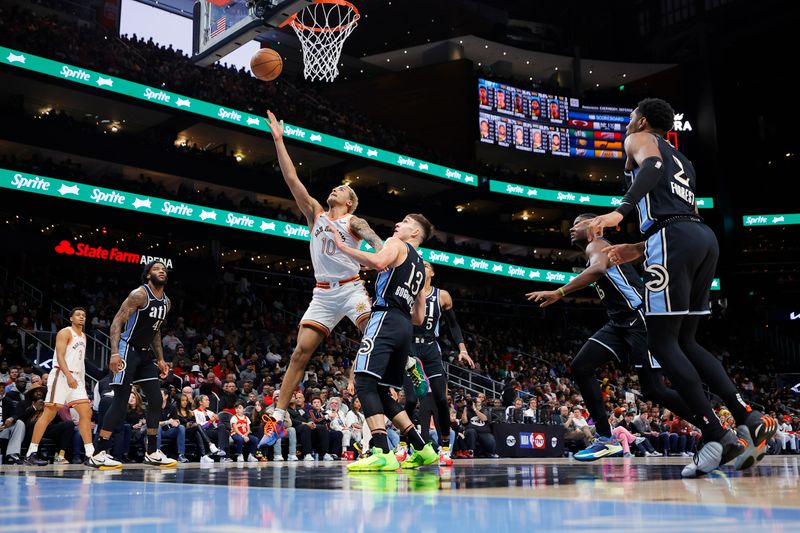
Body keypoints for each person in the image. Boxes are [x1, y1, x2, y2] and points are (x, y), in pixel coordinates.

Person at [573, 97, 777, 477]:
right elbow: (680, 213)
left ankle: (717, 437)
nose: (627, 125)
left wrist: (621, 210)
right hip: (699, 238)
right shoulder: (686, 162)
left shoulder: (640, 139)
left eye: (631, 118)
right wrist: (637, 248)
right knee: (687, 341)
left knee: (662, 342)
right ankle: (747, 416)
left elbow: (650, 166)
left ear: (643, 120)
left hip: (673, 239)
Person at [527, 213, 695, 461]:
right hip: (619, 323)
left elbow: (597, 270)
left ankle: (711, 425)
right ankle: (606, 439)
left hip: (639, 319)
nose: (572, 229)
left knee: (654, 390)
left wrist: (559, 291)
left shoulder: (598, 244)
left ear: (595, 227)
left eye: (577, 224)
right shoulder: (595, 249)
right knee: (581, 366)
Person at [262, 110, 383, 447]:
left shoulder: (354, 222)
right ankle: (277, 417)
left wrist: (381, 254)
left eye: (341, 189)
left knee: (372, 335)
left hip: (351, 288)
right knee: (300, 353)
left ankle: (405, 366)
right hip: (322, 294)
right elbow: (292, 180)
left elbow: (374, 240)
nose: (335, 189)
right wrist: (278, 139)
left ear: (350, 201)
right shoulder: (315, 213)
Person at [334, 214, 440, 471]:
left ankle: (381, 450)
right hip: (404, 326)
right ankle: (421, 446)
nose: (398, 224)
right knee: (381, 390)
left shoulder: (397, 243)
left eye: (404, 222)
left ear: (415, 232)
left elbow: (378, 261)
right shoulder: (420, 264)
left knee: (364, 381)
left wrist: (343, 248)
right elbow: (419, 317)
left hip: (385, 317)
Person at [88, 261, 177, 468]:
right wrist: (114, 352)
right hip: (127, 349)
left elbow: (155, 331)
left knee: (155, 400)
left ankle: (152, 451)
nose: (161, 271)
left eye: (164, 269)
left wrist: (161, 359)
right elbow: (117, 322)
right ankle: (98, 452)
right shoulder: (139, 294)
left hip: (145, 354)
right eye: (156, 269)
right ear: (148, 275)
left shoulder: (166, 302)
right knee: (120, 402)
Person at [404, 261, 474, 466]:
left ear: (432, 273)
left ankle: (444, 448)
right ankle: (402, 446)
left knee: (442, 399)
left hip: (429, 346)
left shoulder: (442, 295)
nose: (421, 267)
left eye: (425, 265)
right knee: (409, 400)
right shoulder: (407, 291)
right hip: (409, 346)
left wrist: (462, 349)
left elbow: (453, 324)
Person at [24, 308, 93, 466]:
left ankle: (90, 454)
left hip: (76, 378)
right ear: (71, 318)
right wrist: (68, 376)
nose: (81, 317)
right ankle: (31, 453)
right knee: (48, 414)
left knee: (86, 413)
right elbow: (60, 356)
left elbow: (81, 362)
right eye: (78, 315)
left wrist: (80, 381)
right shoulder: (65, 332)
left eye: (84, 315)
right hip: (61, 375)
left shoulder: (83, 336)